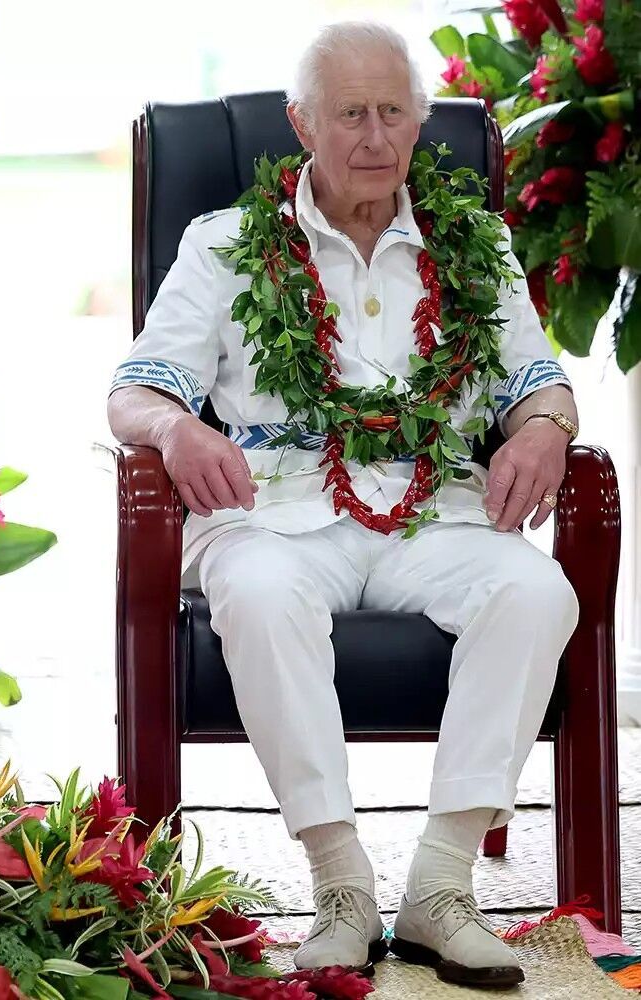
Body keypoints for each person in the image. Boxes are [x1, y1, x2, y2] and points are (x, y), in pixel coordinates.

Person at [107, 22, 578, 990]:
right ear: (302, 124)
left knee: (536, 591)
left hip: (433, 512)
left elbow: (538, 379)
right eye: (350, 113)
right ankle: (340, 885)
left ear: (419, 123)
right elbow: (136, 389)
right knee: (261, 590)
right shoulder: (228, 243)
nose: (374, 137)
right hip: (274, 511)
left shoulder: (472, 240)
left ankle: (441, 890)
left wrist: (543, 429)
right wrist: (176, 431)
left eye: (393, 112)